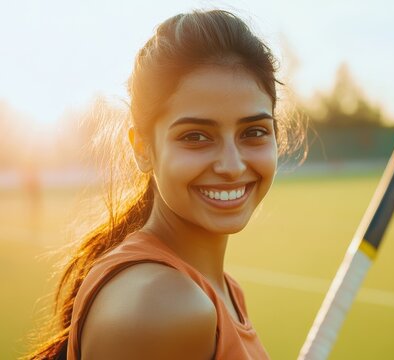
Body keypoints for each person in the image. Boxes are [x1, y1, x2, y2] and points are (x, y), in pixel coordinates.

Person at [28, 9, 304, 360]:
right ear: (143, 149)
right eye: (196, 136)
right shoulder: (164, 307)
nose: (233, 166)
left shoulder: (219, 291)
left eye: (253, 132)